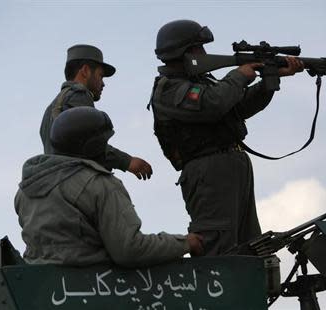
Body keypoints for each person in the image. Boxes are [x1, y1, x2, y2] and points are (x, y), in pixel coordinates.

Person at [149, 20, 304, 255]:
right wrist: (239, 76)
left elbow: (237, 108)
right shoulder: (169, 88)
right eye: (198, 49)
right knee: (218, 248)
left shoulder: (202, 82)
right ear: (183, 53)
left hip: (231, 167)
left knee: (250, 248)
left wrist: (269, 81)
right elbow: (214, 103)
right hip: (208, 173)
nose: (204, 54)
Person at [15, 107, 204, 267]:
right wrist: (185, 243)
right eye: (103, 142)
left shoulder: (25, 191)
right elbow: (129, 249)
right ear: (93, 146)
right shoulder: (100, 185)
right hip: (95, 289)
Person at [40, 44, 152, 180]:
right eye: (101, 76)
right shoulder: (79, 95)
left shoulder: (51, 108)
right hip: (77, 180)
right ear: (86, 71)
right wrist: (127, 161)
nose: (103, 83)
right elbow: (90, 144)